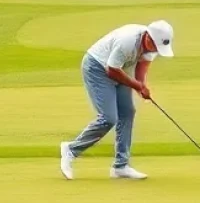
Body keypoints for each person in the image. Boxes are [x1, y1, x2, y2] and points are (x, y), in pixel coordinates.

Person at [60, 21, 175, 182]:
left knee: (127, 112)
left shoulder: (153, 44)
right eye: (155, 46)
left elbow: (141, 68)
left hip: (120, 69)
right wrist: (136, 85)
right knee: (108, 118)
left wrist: (142, 87)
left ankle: (121, 166)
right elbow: (111, 70)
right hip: (97, 68)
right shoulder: (127, 42)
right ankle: (71, 149)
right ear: (148, 37)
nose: (155, 50)